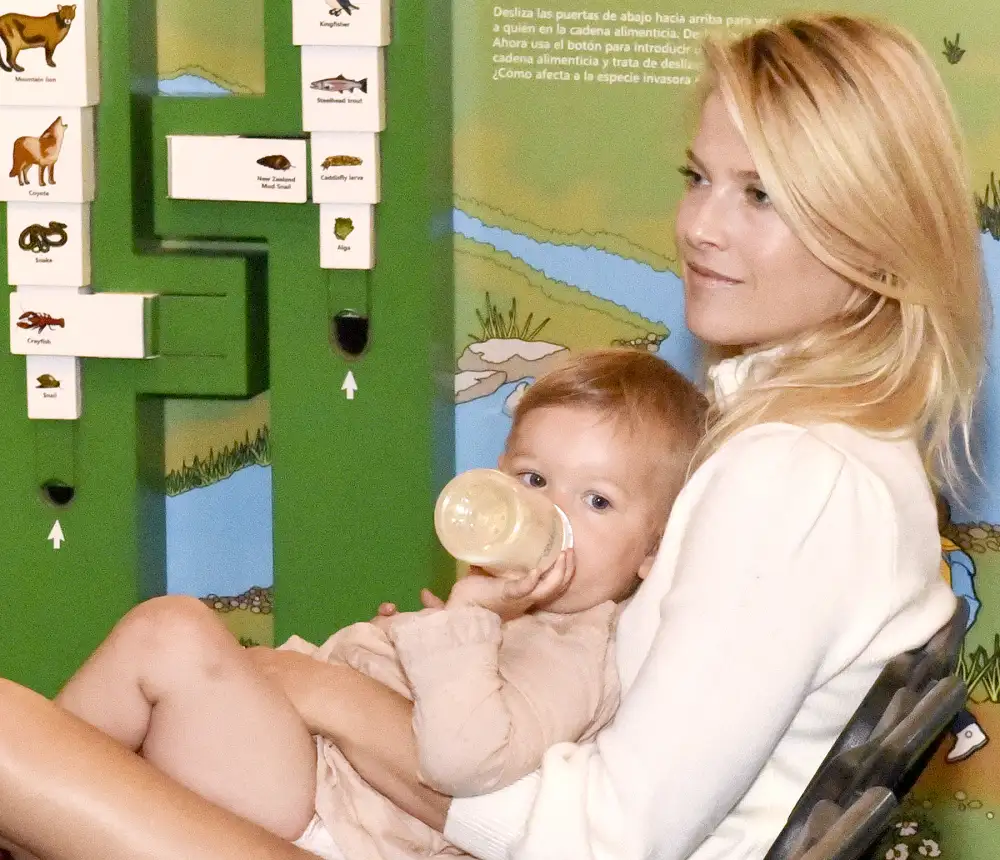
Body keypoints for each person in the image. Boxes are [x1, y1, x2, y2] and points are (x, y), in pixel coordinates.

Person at [0, 12, 985, 860]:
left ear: (870, 230)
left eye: (760, 195)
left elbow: (605, 838)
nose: (699, 226)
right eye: (698, 177)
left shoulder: (800, 476)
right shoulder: (826, 448)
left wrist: (329, 695)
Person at [1, 348, 707, 860]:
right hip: (313, 779)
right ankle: (33, 821)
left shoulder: (577, 650)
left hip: (334, 825)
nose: (549, 511)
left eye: (597, 500)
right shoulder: (519, 615)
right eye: (532, 477)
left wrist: (467, 624)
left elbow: (467, 764)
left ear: (654, 548)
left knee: (172, 633)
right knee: (165, 636)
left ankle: (27, 821)